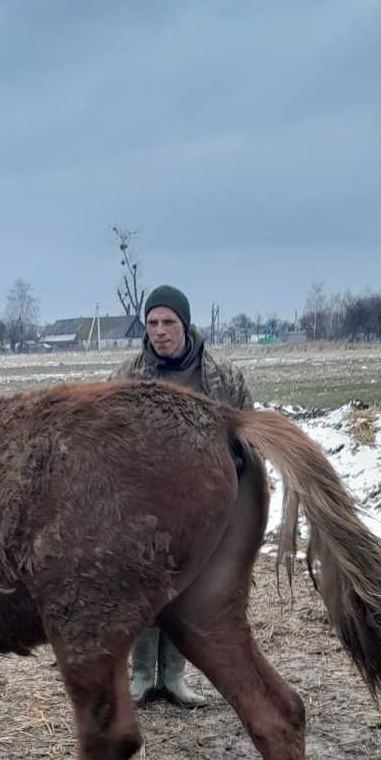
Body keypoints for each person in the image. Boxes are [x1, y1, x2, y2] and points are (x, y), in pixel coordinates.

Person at [111, 285, 253, 707]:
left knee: (189, 590)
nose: (159, 331)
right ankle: (140, 676)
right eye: (152, 323)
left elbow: (247, 433)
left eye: (168, 322)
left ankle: (173, 677)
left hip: (205, 507)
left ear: (185, 324)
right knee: (144, 592)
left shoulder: (221, 376)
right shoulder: (127, 377)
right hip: (146, 507)